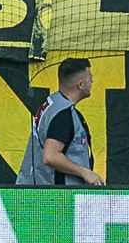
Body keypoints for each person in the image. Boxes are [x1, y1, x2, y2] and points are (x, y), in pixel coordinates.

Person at [24, 58, 102, 188]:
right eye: (90, 78)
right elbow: (50, 156)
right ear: (80, 84)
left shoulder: (53, 103)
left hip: (39, 189)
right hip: (56, 198)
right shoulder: (63, 115)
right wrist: (85, 172)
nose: (92, 81)